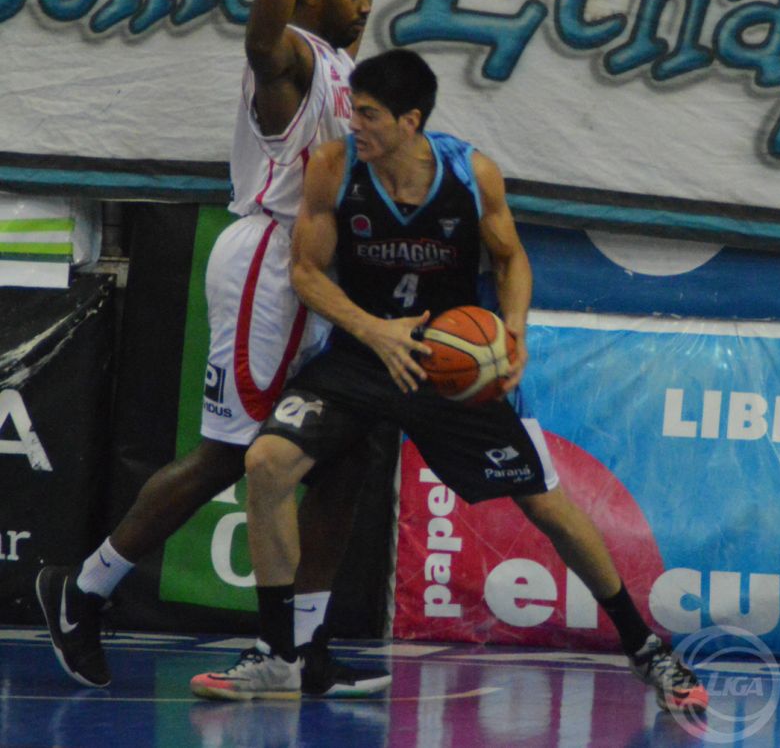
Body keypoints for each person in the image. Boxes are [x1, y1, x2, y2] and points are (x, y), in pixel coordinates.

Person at [190, 48, 709, 716]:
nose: (354, 126)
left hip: (448, 369)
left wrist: (513, 332)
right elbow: (307, 272)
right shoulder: (334, 167)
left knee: (546, 503)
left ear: (410, 121)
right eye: (353, 112)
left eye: (369, 115)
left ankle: (647, 648)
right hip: (363, 355)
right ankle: (278, 654)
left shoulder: (471, 174)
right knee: (266, 463)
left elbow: (510, 259)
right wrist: (374, 330)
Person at [35, 0, 389, 698]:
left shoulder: (350, 73)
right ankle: (83, 590)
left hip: (320, 275)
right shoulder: (294, 55)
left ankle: (305, 649)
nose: (365, 4)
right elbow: (261, 41)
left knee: (341, 457)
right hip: (270, 263)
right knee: (232, 455)